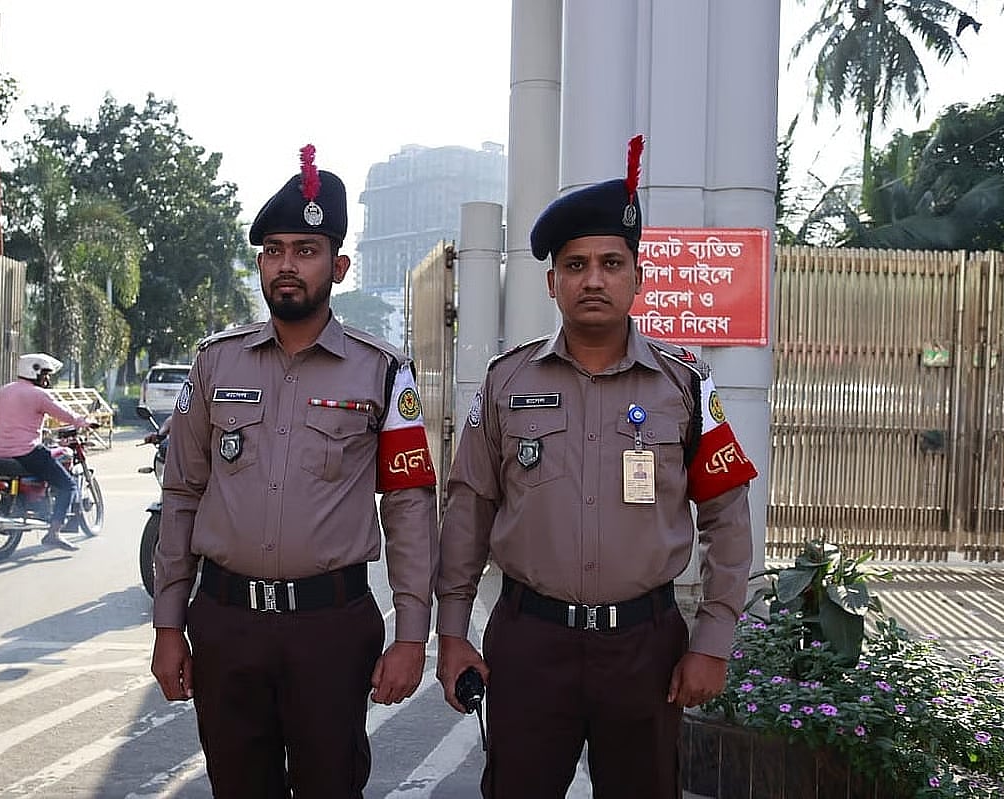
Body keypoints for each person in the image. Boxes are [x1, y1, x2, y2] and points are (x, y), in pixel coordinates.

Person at [434, 136, 758, 799]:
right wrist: (452, 633)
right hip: (530, 644)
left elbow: (727, 518)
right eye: (575, 264)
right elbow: (468, 511)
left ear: (638, 277)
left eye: (611, 263)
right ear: (551, 281)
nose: (593, 279)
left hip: (645, 649)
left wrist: (713, 640)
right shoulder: (505, 382)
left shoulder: (686, 385)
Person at [150, 144, 439, 799]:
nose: (287, 265)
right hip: (227, 624)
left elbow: (408, 508)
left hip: (330, 629)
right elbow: (183, 492)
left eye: (306, 250)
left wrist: (411, 635)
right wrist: (169, 624)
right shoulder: (216, 363)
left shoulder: (383, 371)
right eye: (274, 250)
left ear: (338, 265)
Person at [0, 353, 90, 552]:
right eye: (45, 374)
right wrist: (82, 421)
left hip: (1, 453)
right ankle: (54, 533)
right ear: (34, 372)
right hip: (28, 453)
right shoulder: (37, 394)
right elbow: (63, 413)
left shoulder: (4, 391)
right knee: (68, 485)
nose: (47, 379)